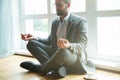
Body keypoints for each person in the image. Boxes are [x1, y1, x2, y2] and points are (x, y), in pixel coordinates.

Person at [20, 0, 96, 78]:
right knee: (31, 43)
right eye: (55, 4)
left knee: (63, 51)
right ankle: (57, 68)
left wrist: (69, 45)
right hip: (55, 53)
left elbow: (82, 45)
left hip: (71, 55)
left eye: (59, 4)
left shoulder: (81, 21)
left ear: (68, 5)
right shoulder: (55, 22)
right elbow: (50, 41)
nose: (56, 7)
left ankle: (39, 68)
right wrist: (35, 38)